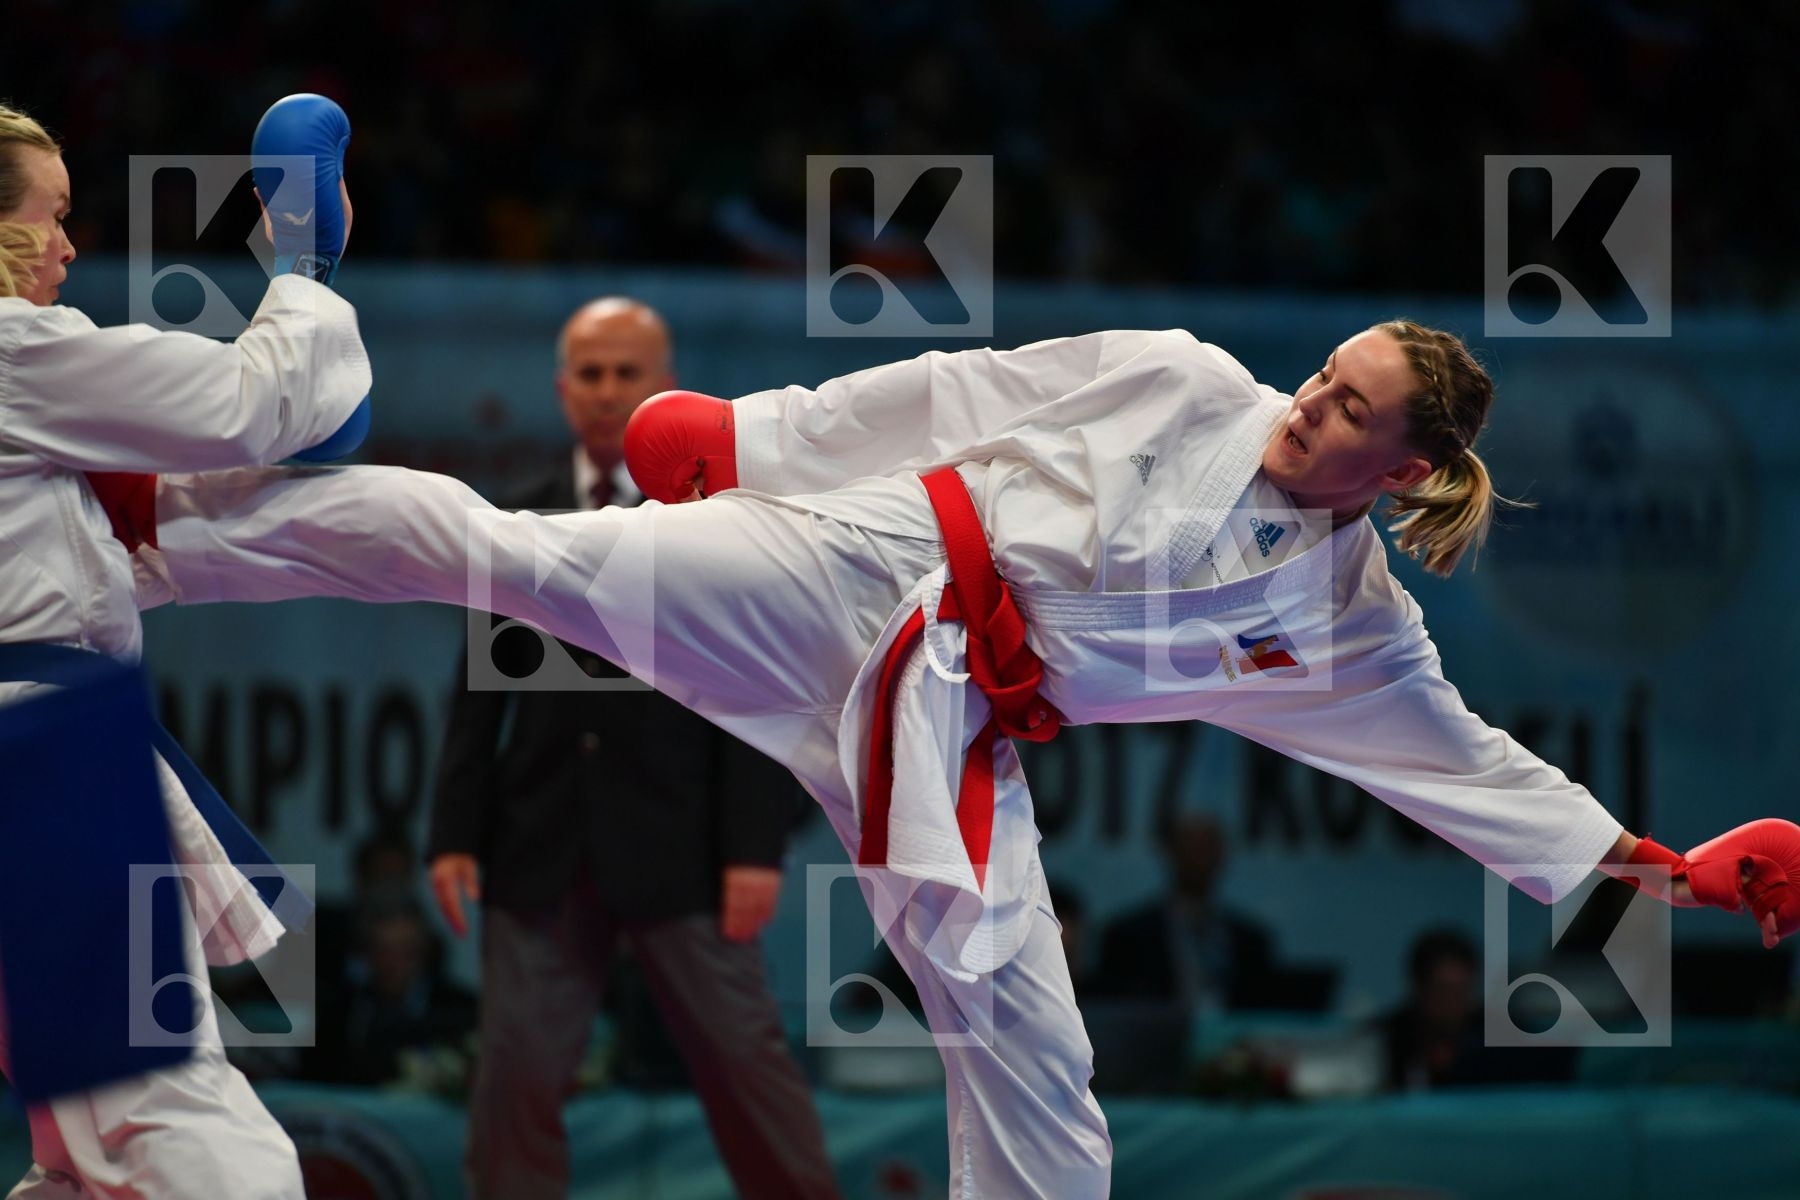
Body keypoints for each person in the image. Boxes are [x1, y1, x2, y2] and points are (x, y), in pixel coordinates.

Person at [103, 323, 1800, 1199]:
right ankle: (164, 528)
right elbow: (961, 386)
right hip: (854, 562)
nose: (1310, 406)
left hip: (954, 727)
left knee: (1034, 1046)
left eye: (1353, 410)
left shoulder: (1350, 628)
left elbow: (1459, 766)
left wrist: (1652, 868)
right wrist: (753, 437)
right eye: (1326, 374)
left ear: (1407, 466)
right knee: (519, 560)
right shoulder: (1185, 379)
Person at [0, 96, 368, 1198]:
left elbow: (76, 555)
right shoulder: (16, 349)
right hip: (41, 762)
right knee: (184, 1125)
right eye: (51, 217)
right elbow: (252, 404)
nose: (70, 246)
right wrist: (305, 262)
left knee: (85, 1150)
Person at [425, 298, 839, 1199]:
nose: (609, 392)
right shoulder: (522, 514)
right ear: (564, 388)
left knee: (747, 1073)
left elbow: (758, 687)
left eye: (628, 374)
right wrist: (454, 830)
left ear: (666, 383)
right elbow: (477, 688)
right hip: (538, 839)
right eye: (591, 374)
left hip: (688, 847)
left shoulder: (719, 518)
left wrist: (753, 846)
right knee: (516, 1082)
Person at [1095, 812, 1287, 1013]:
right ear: (1170, 852)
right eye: (1189, 846)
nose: (1198, 857)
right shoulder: (1127, 936)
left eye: (1207, 847)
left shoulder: (1252, 940)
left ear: (1221, 855)